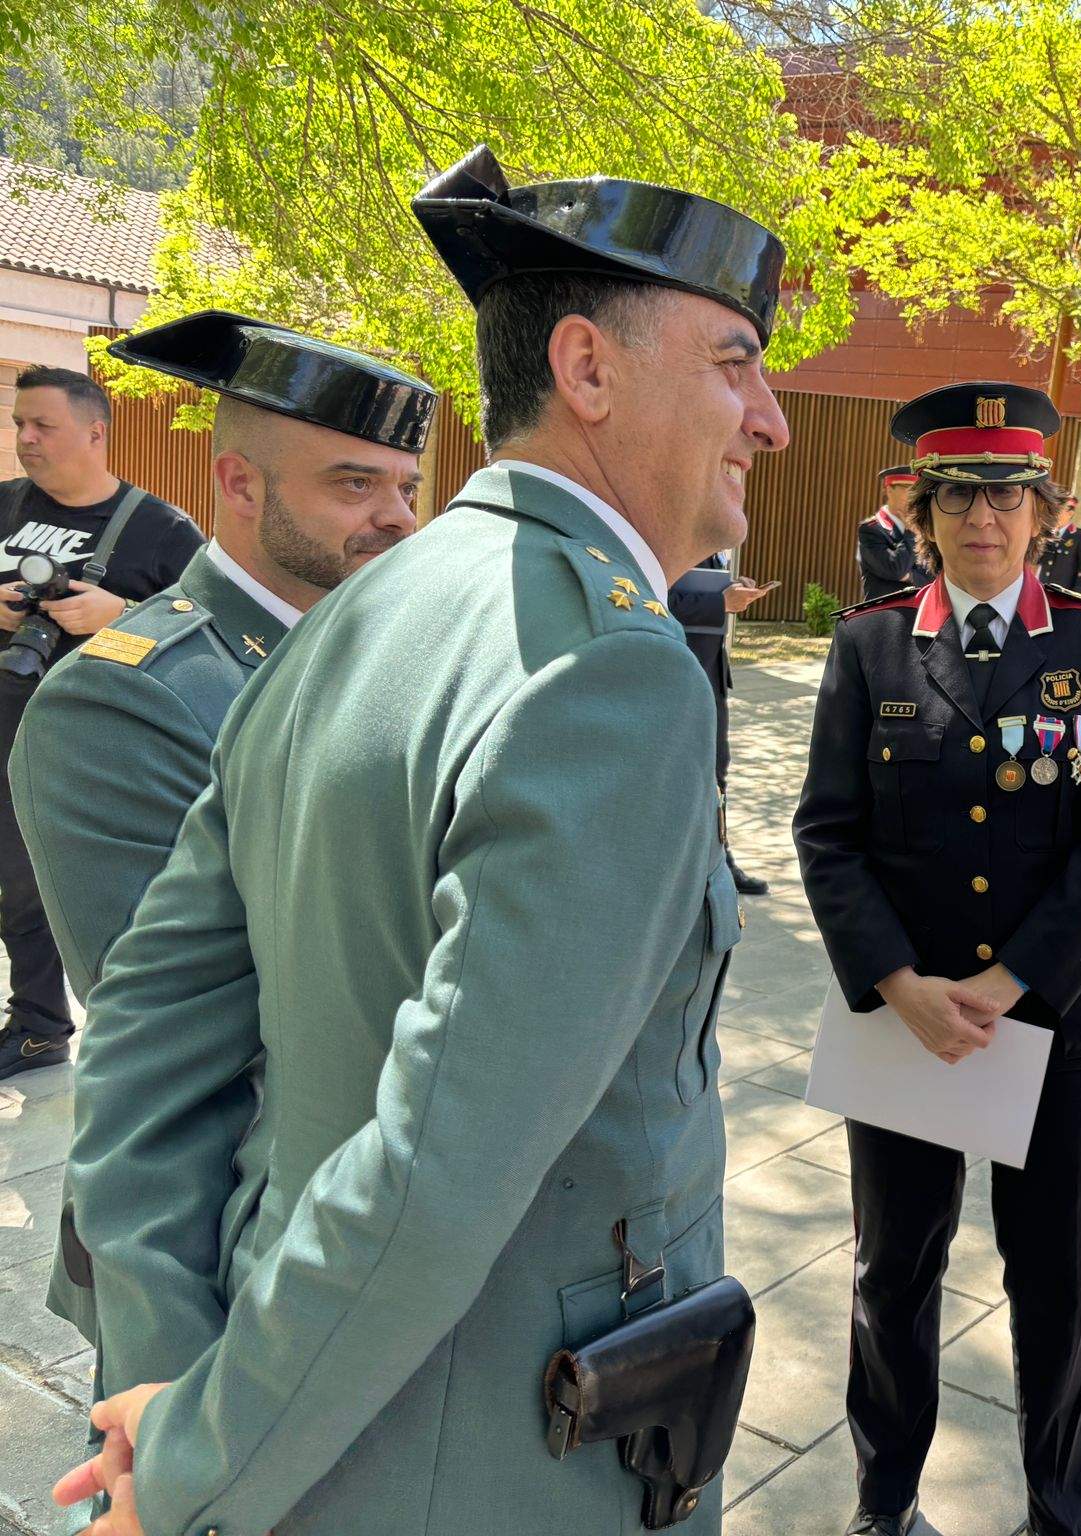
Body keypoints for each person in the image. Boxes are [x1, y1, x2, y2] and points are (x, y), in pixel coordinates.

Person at [54, 143, 789, 1535]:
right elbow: (437, 1167)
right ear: (588, 369)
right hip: (496, 1459)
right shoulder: (609, 670)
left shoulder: (349, 616)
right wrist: (194, 1458)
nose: (772, 421)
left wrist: (160, 1387)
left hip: (290, 1404)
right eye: (737, 362)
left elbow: (149, 1034)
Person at [10, 310, 431, 1363]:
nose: (397, 519)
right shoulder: (130, 701)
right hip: (206, 1259)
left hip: (358, 1223)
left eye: (407, 488)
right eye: (353, 485)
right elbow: (189, 1047)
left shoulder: (386, 657)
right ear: (240, 487)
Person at [793, 381, 1081, 1536]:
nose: (981, 520)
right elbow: (826, 832)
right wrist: (899, 985)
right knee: (890, 1278)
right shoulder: (870, 645)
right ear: (921, 514)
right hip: (902, 1025)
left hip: (1054, 1024)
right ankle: (882, 1501)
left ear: (1043, 511)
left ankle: (1059, 1514)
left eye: (1005, 496)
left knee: (1054, 1290)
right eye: (958, 497)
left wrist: (1007, 985)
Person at [0, 367, 203, 1080]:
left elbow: (209, 626)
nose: (24, 438)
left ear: (95, 433)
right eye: (20, 423)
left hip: (95, 748)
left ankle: (92, 1034)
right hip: (5, 724)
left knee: (78, 892)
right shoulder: (1, 505)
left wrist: (117, 615)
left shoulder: (161, 528)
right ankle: (36, 1022)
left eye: (41, 425)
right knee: (13, 885)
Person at [670, 548, 778, 894]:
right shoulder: (677, 543)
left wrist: (735, 589)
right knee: (685, 775)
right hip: (684, 676)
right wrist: (721, 603)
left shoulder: (712, 549)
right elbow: (659, 600)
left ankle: (719, 862)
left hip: (712, 677)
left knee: (717, 770)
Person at [860, 465, 931, 600]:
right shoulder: (871, 530)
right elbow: (896, 570)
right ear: (888, 490)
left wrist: (909, 576)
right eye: (907, 488)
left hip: (917, 612)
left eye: (916, 490)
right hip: (883, 613)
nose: (913, 495)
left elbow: (934, 576)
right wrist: (910, 533)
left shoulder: (925, 530)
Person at [1035, 488, 1081, 591]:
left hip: (1063, 595)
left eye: (1059, 510)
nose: (1054, 514)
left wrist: (1074, 597)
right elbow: (1037, 560)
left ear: (1070, 513)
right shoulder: (1047, 534)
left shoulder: (1080, 537)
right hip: (1043, 591)